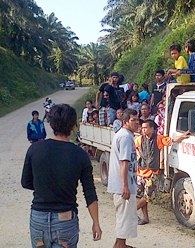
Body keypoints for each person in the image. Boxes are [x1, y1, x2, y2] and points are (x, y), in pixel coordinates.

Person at [21, 104, 102, 248]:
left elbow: (26, 182)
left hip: (38, 217)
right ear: (73, 126)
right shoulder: (80, 155)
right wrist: (96, 222)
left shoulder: (35, 149)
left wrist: (45, 184)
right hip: (65, 219)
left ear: (51, 124)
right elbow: (89, 192)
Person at [135, 120, 190, 225]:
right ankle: (145, 218)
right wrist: (139, 155)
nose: (143, 130)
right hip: (141, 172)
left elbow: (172, 140)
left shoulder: (158, 139)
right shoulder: (139, 139)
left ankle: (132, 213)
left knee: (147, 197)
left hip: (152, 174)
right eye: (142, 128)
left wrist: (183, 136)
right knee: (144, 197)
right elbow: (134, 147)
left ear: (152, 129)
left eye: (145, 128)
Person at [107, 108, 139, 248]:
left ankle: (120, 244)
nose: (136, 123)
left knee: (124, 217)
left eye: (137, 120)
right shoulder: (125, 137)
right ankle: (120, 245)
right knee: (125, 218)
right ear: (125, 122)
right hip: (123, 186)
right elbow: (124, 162)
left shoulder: (125, 135)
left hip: (124, 184)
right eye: (133, 120)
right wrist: (125, 186)